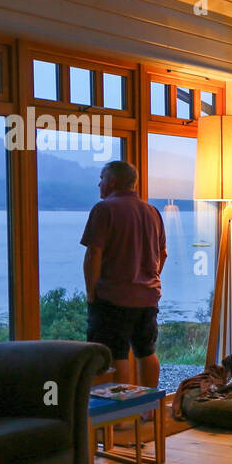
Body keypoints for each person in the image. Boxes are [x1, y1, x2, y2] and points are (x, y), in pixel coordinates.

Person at [81, 160, 167, 389]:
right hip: (147, 298)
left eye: (101, 178)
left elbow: (93, 255)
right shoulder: (152, 212)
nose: (99, 184)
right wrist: (149, 278)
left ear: (112, 181)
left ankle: (118, 420)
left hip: (113, 297)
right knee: (146, 351)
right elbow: (163, 254)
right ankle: (149, 411)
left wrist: (91, 292)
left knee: (115, 354)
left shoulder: (104, 209)